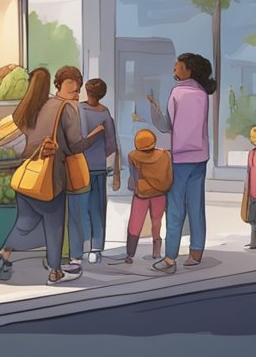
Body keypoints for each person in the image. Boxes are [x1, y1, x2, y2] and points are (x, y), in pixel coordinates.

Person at [0, 67, 103, 286]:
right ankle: (55, 272)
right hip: (50, 175)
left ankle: (3, 254)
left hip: (27, 172)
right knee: (54, 225)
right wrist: (95, 136)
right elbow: (75, 145)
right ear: (72, 86)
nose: (77, 94)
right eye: (76, 88)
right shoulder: (67, 109)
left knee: (24, 222)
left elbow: (26, 129)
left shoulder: (38, 105)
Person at [146, 52, 217, 273]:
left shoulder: (177, 92)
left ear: (188, 70)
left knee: (176, 207)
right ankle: (196, 252)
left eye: (177, 67)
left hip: (180, 157)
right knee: (196, 206)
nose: (174, 70)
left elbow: (166, 125)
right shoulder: (202, 93)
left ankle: (170, 257)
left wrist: (153, 108)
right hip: (200, 156)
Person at [71, 78, 119, 264]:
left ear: (86, 91)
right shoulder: (105, 113)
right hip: (98, 167)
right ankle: (96, 249)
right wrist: (100, 155)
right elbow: (112, 144)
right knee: (97, 209)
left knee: (80, 209)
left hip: (79, 166)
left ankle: (80, 248)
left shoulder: (79, 109)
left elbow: (79, 137)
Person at [123, 129, 170, 264]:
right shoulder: (164, 155)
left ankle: (130, 254)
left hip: (141, 194)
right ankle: (156, 251)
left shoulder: (133, 156)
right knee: (157, 222)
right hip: (160, 193)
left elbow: (133, 177)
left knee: (135, 223)